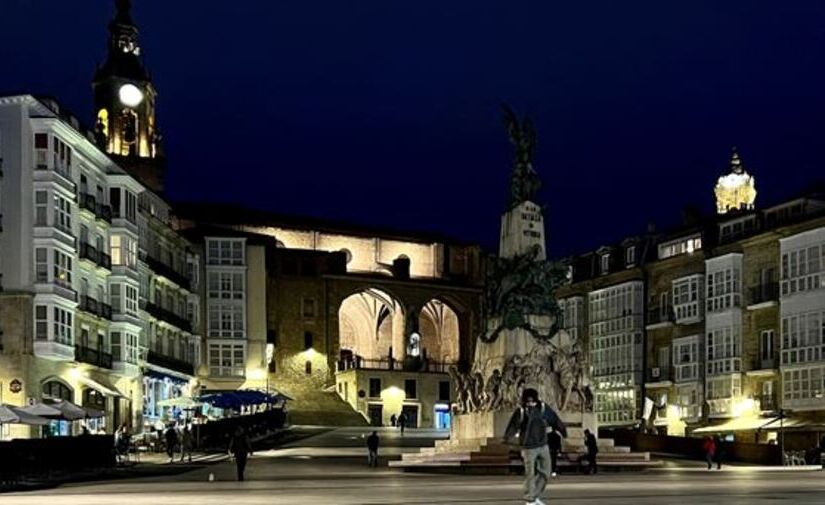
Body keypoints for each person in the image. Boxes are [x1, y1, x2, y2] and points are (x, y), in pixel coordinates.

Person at [503, 388, 567, 505]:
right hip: (528, 448)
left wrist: (563, 431)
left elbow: (554, 419)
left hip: (543, 445)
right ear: (524, 401)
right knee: (530, 475)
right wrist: (507, 438)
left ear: (536, 400)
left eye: (532, 401)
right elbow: (513, 426)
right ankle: (530, 499)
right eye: (528, 402)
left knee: (546, 472)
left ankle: (534, 495)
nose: (530, 404)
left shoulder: (543, 408)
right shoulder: (521, 411)